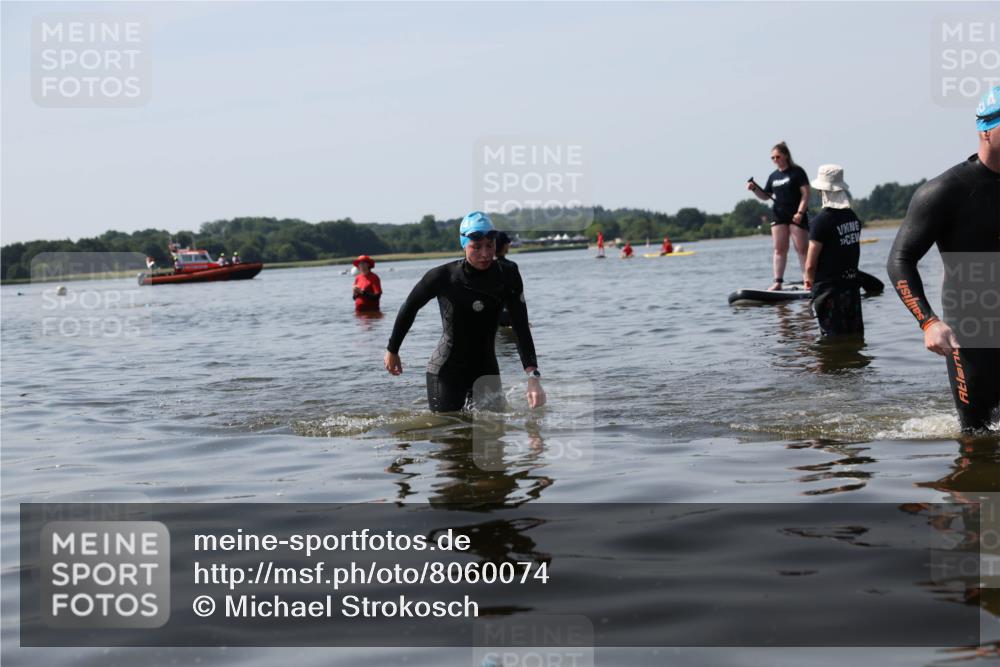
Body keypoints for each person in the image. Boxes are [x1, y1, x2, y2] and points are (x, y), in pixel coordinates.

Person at [886, 86, 1000, 434]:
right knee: (978, 442)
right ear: (986, 129)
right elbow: (900, 259)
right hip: (974, 332)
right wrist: (928, 322)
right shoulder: (945, 191)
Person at [384, 211, 545, 412]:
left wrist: (532, 376)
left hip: (486, 369)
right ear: (463, 244)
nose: (485, 254)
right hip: (447, 371)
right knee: (450, 432)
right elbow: (410, 307)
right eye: (476, 247)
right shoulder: (442, 276)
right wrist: (393, 349)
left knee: (492, 437)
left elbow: (520, 325)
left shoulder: (508, 274)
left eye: (490, 245)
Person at [803, 164, 864, 337]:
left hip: (829, 294)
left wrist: (808, 281)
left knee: (832, 340)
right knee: (854, 336)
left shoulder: (821, 221)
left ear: (822, 191)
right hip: (852, 289)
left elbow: (809, 264)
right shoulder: (853, 217)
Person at [748, 141, 811, 290]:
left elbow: (806, 194)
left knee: (801, 249)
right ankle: (778, 282)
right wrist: (754, 189)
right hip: (779, 216)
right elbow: (765, 196)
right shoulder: (773, 176)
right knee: (779, 249)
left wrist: (800, 212)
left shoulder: (797, 172)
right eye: (772, 158)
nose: (775, 160)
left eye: (777, 157)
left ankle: (808, 280)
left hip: (796, 215)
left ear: (786, 156)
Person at [495, 232, 515, 327]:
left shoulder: (485, 266)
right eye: (508, 243)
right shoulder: (510, 266)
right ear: (504, 245)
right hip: (508, 314)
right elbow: (515, 295)